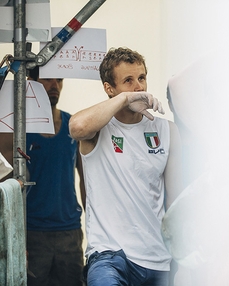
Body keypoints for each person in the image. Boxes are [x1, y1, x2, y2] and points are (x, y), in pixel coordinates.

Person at [69, 47, 183, 286]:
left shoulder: (167, 130)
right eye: (128, 81)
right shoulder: (98, 128)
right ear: (109, 88)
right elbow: (77, 127)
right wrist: (123, 100)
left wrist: (180, 257)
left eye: (141, 78)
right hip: (109, 255)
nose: (139, 87)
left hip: (157, 259)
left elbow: (174, 203)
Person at [24, 67, 86, 286]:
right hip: (33, 232)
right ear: (31, 81)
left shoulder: (74, 126)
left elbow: (85, 180)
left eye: (59, 79)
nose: (54, 85)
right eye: (48, 79)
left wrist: (93, 227)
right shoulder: (21, 129)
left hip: (69, 231)